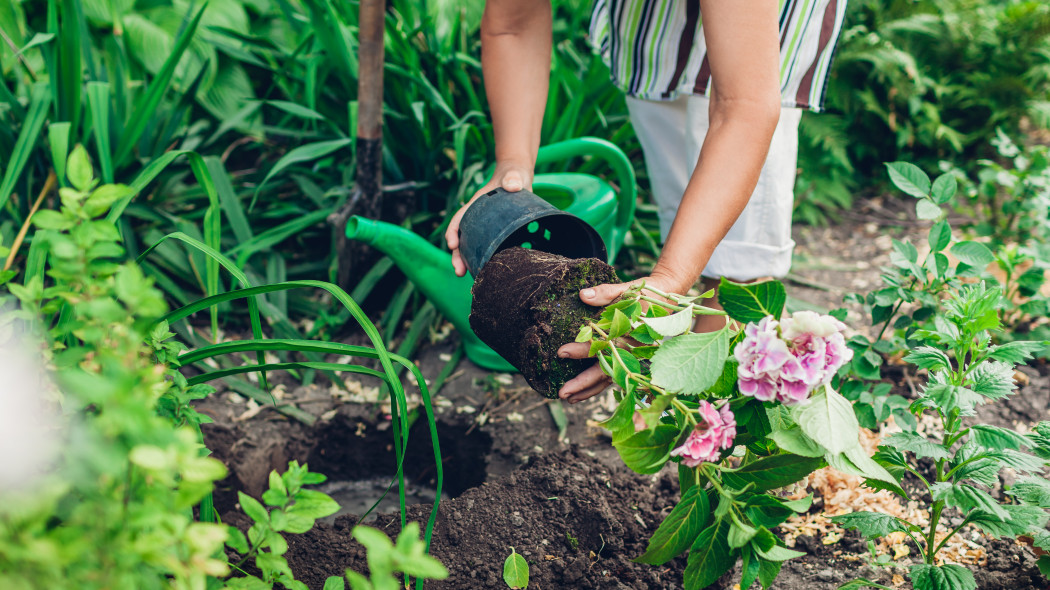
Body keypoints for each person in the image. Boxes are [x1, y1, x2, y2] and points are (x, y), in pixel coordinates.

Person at [445, 0, 847, 404]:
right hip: (655, 19)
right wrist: (512, 164)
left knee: (739, 253)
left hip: (754, 27)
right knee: (683, 192)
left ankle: (718, 415)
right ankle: (686, 396)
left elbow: (744, 106)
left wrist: (669, 281)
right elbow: (513, 23)